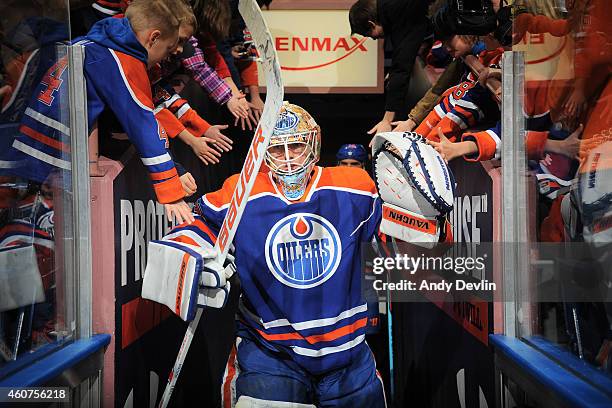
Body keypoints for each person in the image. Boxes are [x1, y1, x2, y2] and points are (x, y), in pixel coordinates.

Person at [142, 103, 456, 406]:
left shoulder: (356, 186)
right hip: (270, 352)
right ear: (263, 151)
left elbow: (408, 247)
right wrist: (193, 261)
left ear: (314, 143)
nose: (289, 158)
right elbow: (196, 228)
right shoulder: (240, 192)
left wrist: (428, 221)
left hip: (347, 354)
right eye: (277, 148)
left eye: (296, 145)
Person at [11, 0, 194, 224]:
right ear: (153, 37)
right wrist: (171, 193)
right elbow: (143, 125)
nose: (169, 55)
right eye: (168, 48)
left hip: (30, 139)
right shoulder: (122, 59)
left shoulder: (97, 41)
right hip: (49, 152)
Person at [349, 0, 431, 139]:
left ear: (371, 24)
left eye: (370, 35)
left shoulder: (399, 12)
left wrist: (387, 120)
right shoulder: (391, 9)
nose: (374, 39)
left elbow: (402, 67)